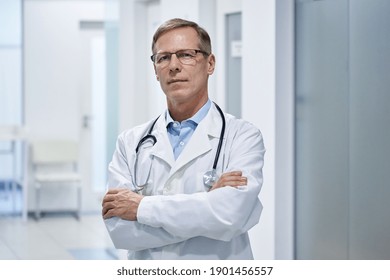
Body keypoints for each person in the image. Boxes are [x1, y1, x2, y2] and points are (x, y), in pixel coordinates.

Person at [102, 18, 265, 260]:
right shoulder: (130, 143)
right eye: (163, 57)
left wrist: (141, 207)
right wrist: (207, 208)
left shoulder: (242, 136)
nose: (174, 66)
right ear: (155, 70)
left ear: (210, 63)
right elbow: (120, 232)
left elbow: (231, 215)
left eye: (186, 55)